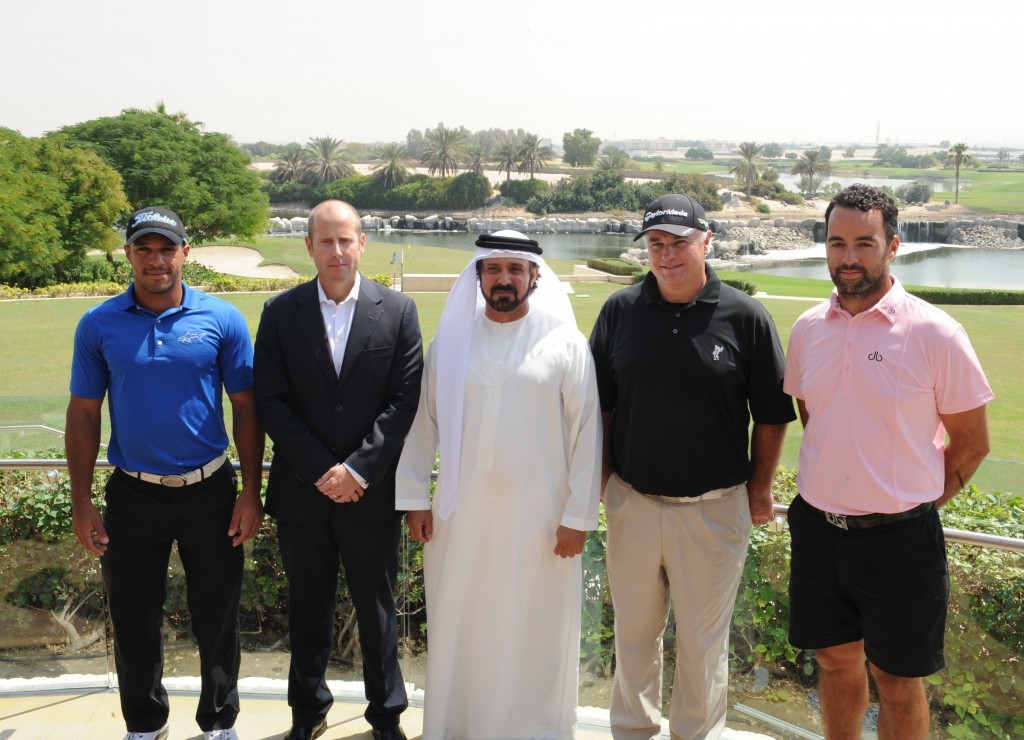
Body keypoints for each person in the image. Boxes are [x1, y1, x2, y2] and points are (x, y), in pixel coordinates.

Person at [783, 184, 993, 739]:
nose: (848, 257)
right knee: (833, 662)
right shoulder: (807, 329)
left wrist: (910, 501)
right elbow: (816, 416)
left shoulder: (936, 333)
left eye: (864, 243)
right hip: (818, 530)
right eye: (836, 243)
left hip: (901, 543)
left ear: (893, 245)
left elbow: (972, 444)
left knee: (898, 682)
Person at [589, 193, 796, 739]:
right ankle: (632, 732)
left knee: (703, 647)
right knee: (633, 636)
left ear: (707, 242)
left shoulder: (745, 316)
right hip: (633, 503)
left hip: (713, 510)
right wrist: (604, 480)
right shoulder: (620, 311)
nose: (667, 255)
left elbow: (772, 416)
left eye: (679, 242)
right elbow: (602, 407)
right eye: (655, 244)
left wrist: (759, 490)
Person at [67, 206, 265, 740]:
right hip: (133, 494)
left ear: (186, 253)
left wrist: (251, 492)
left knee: (217, 618)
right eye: (144, 249)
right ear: (129, 253)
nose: (156, 260)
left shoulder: (221, 319)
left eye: (167, 248)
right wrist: (81, 501)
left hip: (211, 491)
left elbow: (246, 407)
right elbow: (84, 412)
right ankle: (145, 724)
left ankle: (219, 722)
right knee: (133, 618)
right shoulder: (98, 323)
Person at [396, 230, 602, 740]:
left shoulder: (566, 344)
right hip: (458, 518)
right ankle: (458, 726)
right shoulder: (451, 344)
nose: (503, 279)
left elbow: (588, 436)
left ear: (535, 275)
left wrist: (578, 517)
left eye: (515, 269)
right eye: (493, 270)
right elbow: (425, 423)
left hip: (542, 523)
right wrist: (416, 497)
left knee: (535, 631)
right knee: (463, 623)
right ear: (479, 277)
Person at [253, 200, 422, 740]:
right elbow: (272, 401)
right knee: (307, 609)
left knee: (377, 613)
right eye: (325, 241)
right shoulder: (281, 313)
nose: (337, 251)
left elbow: (403, 401)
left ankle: (386, 716)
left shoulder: (398, 310)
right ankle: (308, 713)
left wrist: (358, 470)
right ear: (309, 247)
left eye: (346, 239)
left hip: (369, 495)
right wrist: (324, 469)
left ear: (362, 243)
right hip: (303, 493)